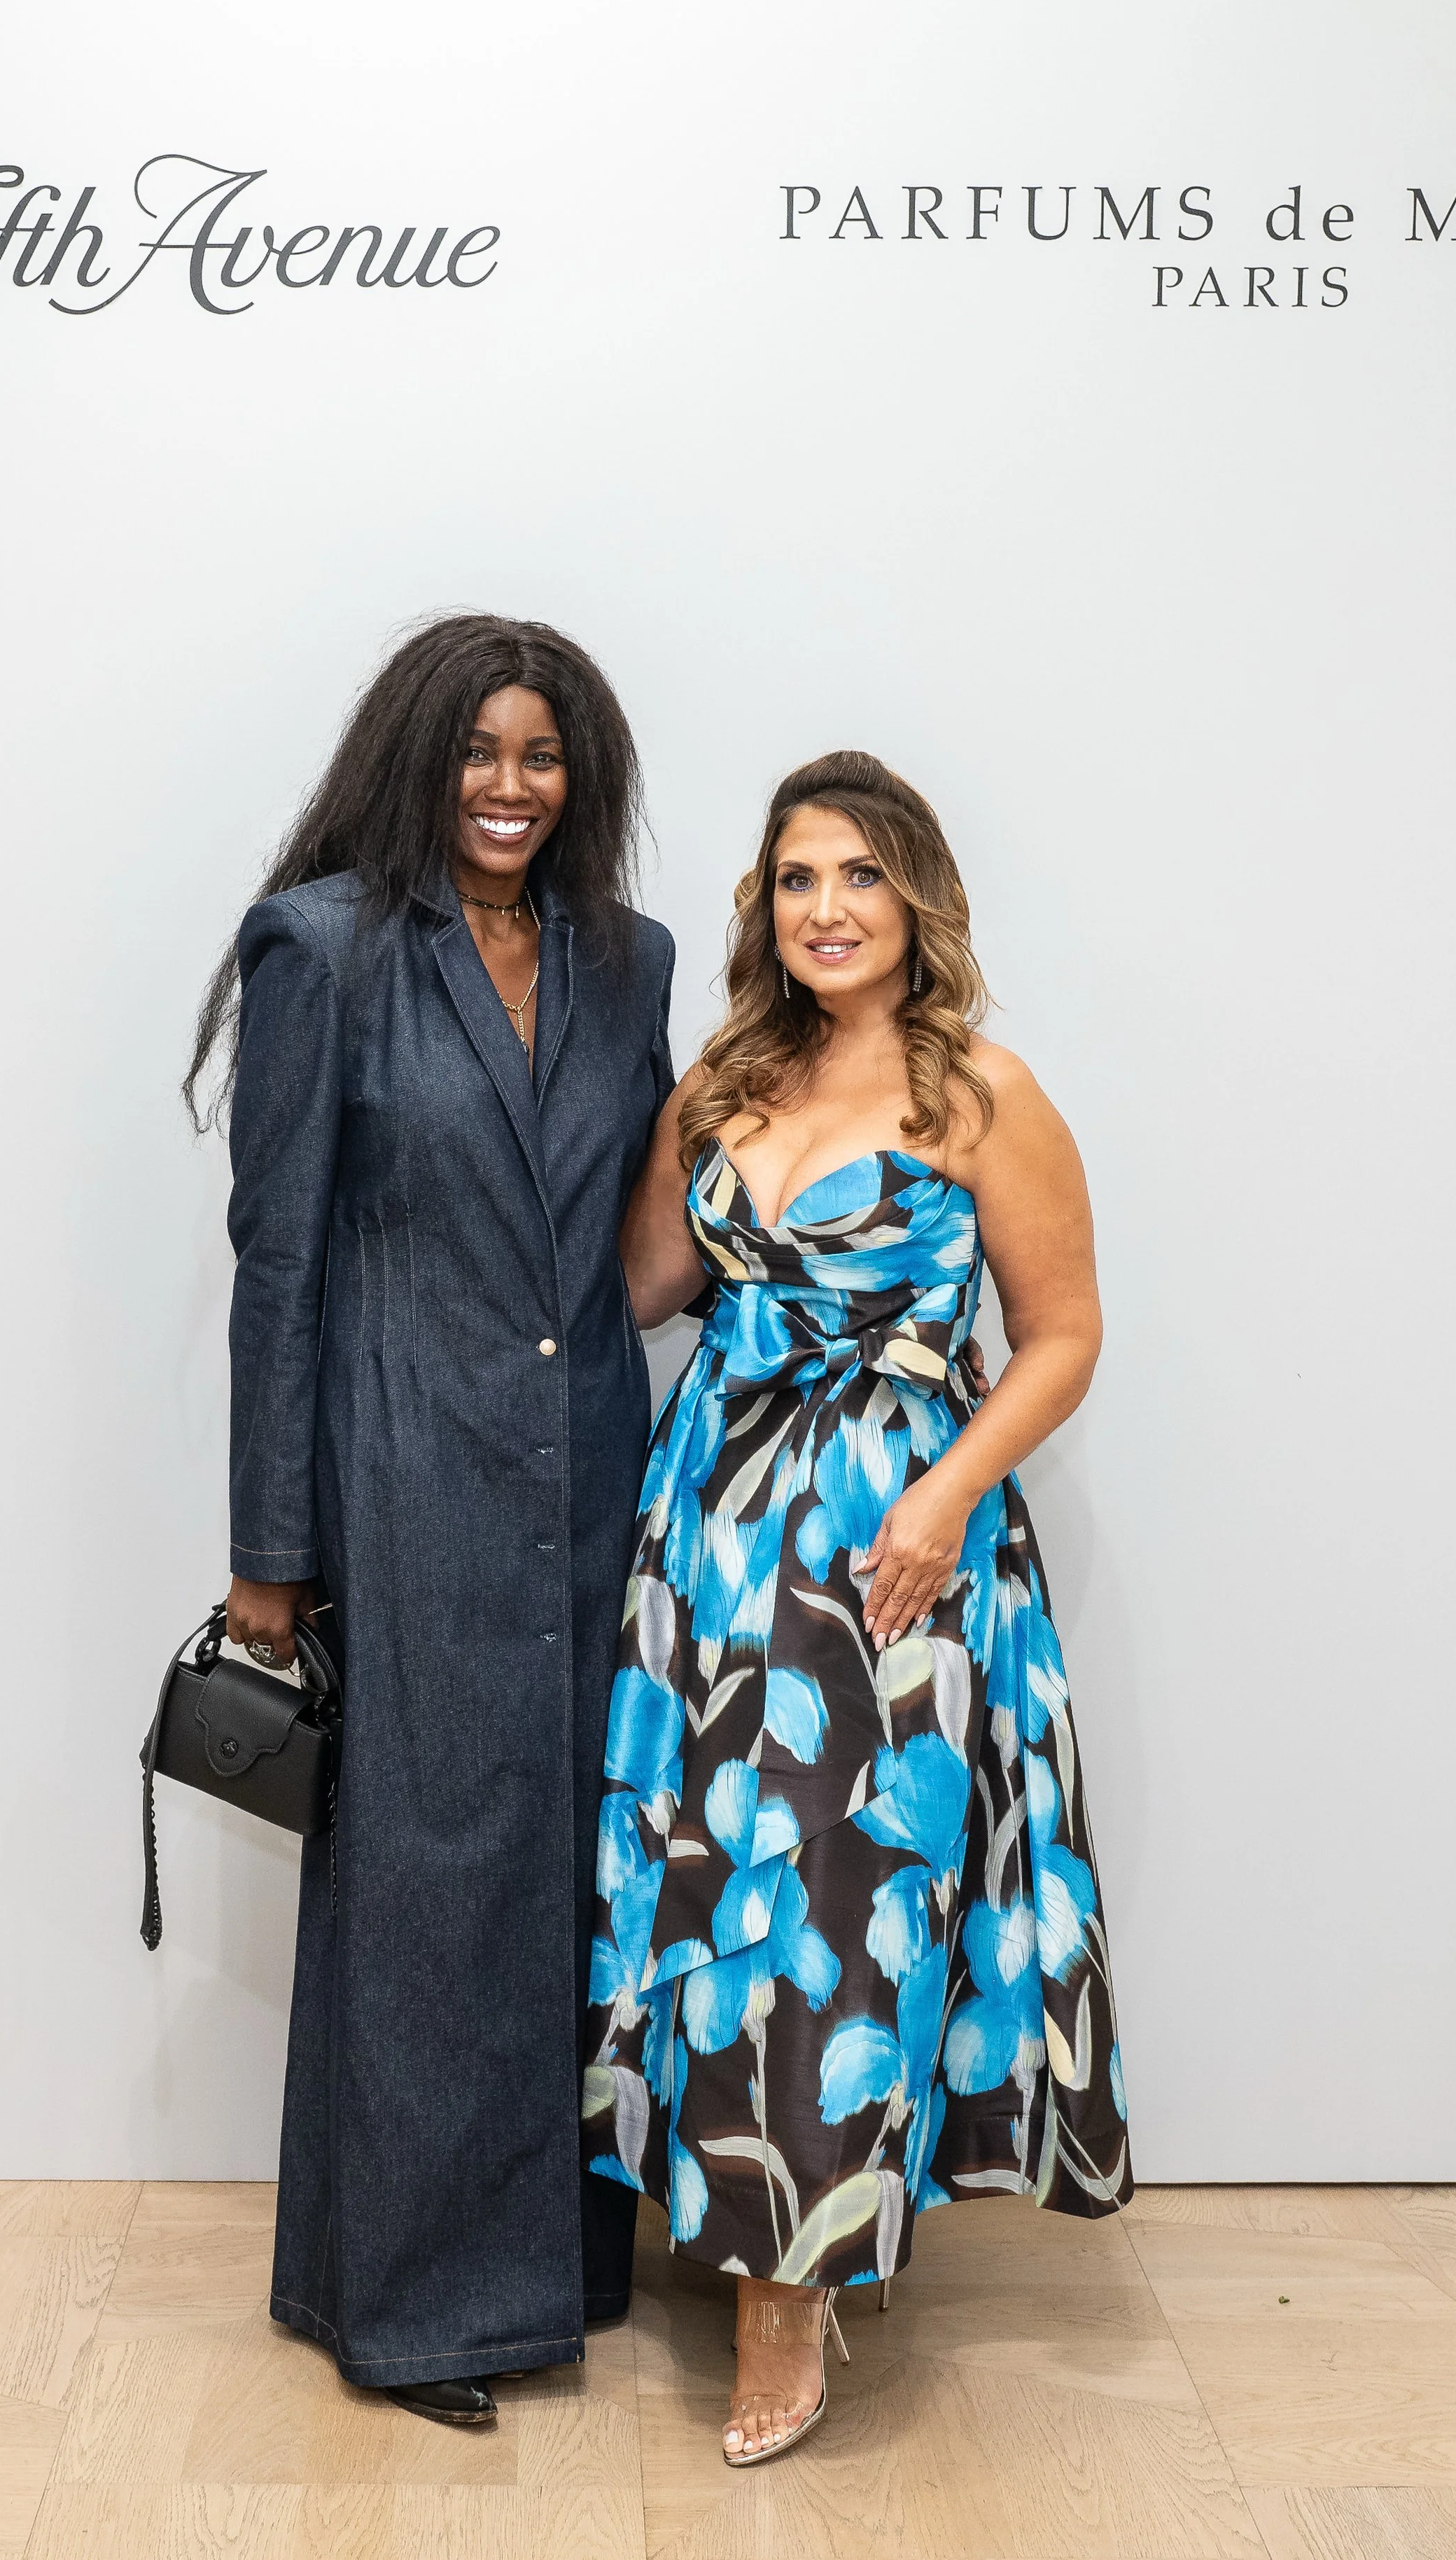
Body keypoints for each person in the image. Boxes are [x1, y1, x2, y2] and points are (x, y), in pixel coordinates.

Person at [581, 750, 1133, 2467]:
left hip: (890, 1548)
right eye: (797, 879)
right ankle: (746, 2208)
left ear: (915, 905)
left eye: (860, 879)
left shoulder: (984, 1097)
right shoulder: (724, 1081)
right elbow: (646, 1289)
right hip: (711, 1536)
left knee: (834, 1894)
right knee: (703, 1875)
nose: (826, 909)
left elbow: (1062, 1335)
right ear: (767, 906)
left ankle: (788, 2289)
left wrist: (944, 1492)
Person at [184, 615, 672, 2425]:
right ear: (418, 755)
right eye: (477, 750)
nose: (508, 786)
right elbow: (280, 1265)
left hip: (595, 1479)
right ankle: (409, 2309)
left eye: (541, 755)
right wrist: (268, 1551)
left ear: (581, 775)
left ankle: (563, 2264)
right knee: (424, 1887)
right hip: (402, 1480)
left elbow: (644, 1227)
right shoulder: (323, 948)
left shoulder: (628, 958)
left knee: (574, 1876)